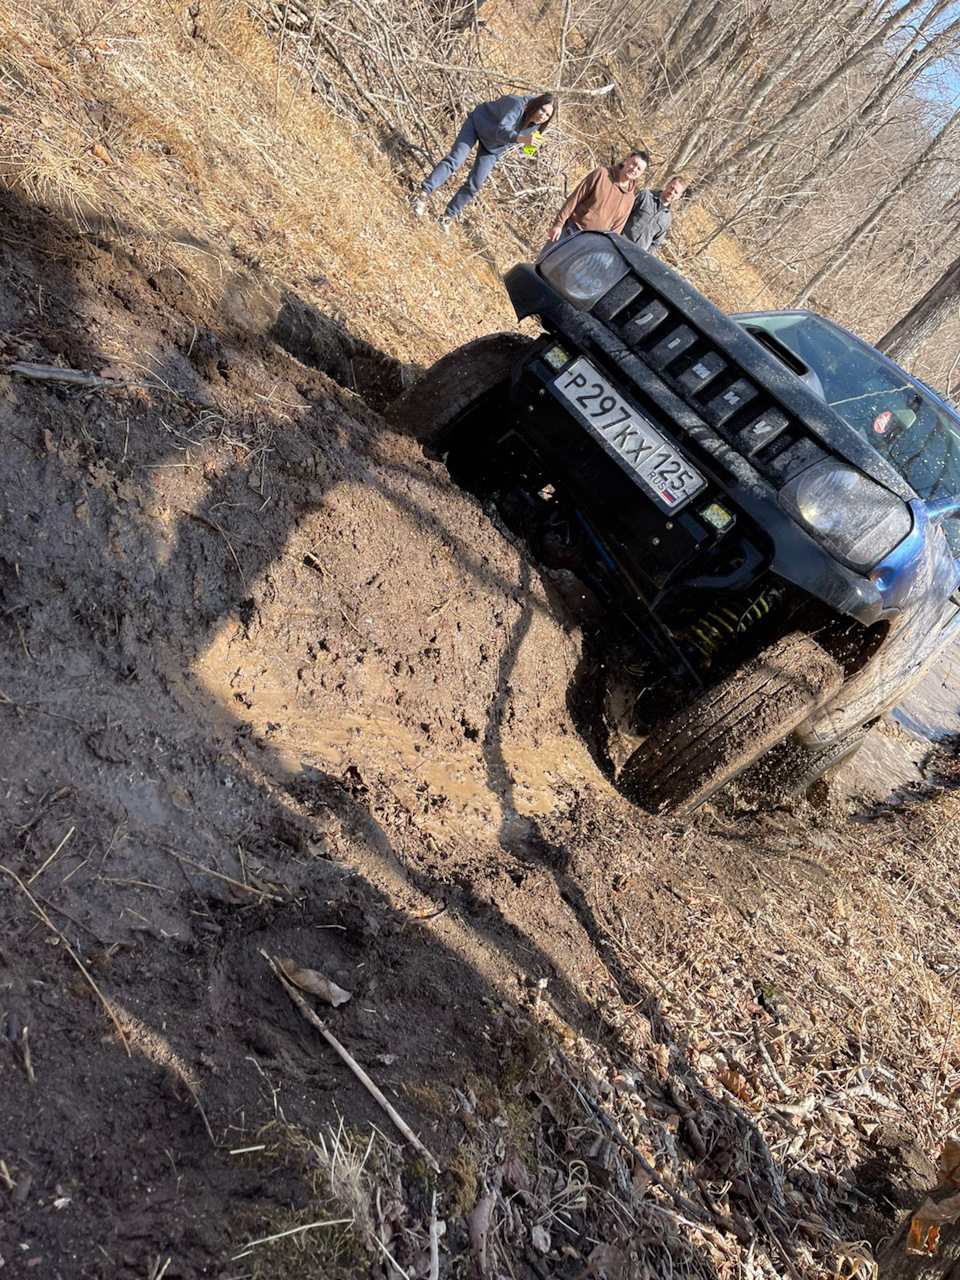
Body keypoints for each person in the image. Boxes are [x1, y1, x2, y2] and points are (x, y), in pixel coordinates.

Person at [413, 92, 556, 232]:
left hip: (493, 148)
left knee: (475, 184)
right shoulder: (516, 104)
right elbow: (502, 131)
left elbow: (527, 150)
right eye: (542, 110)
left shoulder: (537, 126)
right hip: (477, 124)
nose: (542, 116)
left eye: (547, 115)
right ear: (536, 104)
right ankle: (422, 194)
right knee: (455, 160)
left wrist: (530, 148)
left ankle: (447, 216)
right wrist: (522, 139)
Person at [545, 151, 649, 244]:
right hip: (570, 230)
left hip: (591, 244)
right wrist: (558, 224)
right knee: (544, 264)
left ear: (641, 174)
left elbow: (616, 229)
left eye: (639, 169)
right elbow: (575, 198)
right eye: (633, 163)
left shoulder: (630, 198)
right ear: (627, 159)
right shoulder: (601, 174)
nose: (634, 169)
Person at [623, 174, 687, 255]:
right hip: (620, 242)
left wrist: (644, 256)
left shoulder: (667, 218)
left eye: (676, 192)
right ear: (667, 184)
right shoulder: (645, 196)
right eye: (671, 187)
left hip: (635, 256)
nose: (671, 192)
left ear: (678, 196)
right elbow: (623, 213)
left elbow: (656, 243)